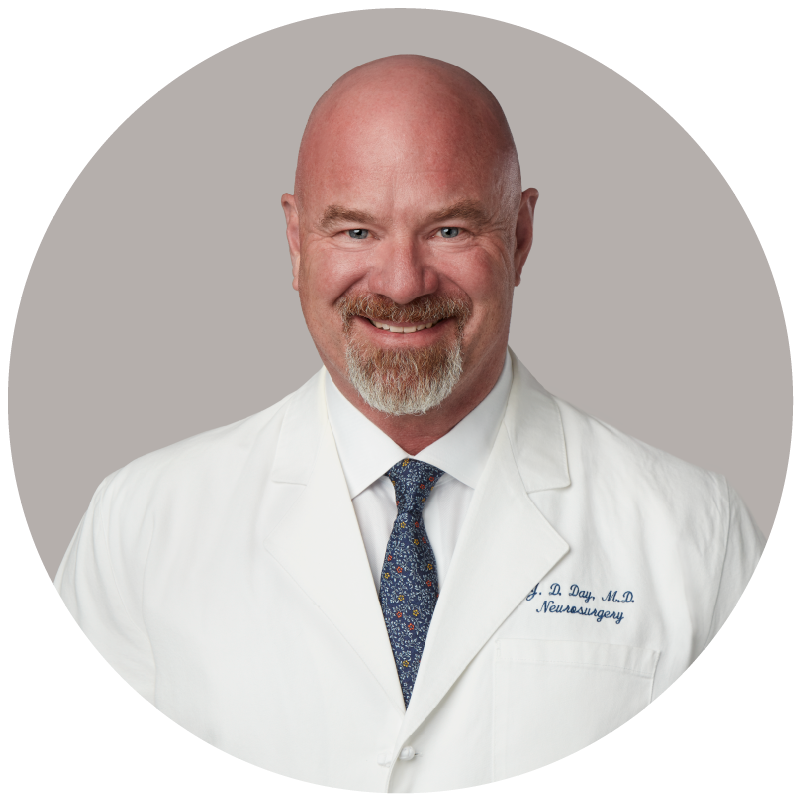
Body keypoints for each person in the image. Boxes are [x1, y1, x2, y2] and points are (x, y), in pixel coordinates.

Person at [58, 55, 764, 793]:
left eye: (449, 229)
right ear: (296, 242)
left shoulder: (696, 536)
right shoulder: (140, 527)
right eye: (356, 231)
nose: (401, 283)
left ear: (521, 236)